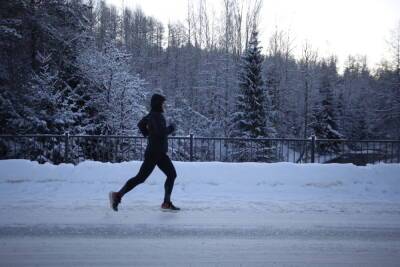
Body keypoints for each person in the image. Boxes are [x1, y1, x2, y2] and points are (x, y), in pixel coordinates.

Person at [109, 93, 180, 212]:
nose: (164, 105)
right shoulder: (157, 116)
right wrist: (172, 128)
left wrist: (148, 134)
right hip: (154, 153)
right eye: (163, 103)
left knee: (171, 174)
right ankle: (117, 195)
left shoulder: (152, 115)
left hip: (158, 153)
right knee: (140, 178)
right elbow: (162, 132)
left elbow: (141, 124)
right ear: (158, 104)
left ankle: (166, 203)